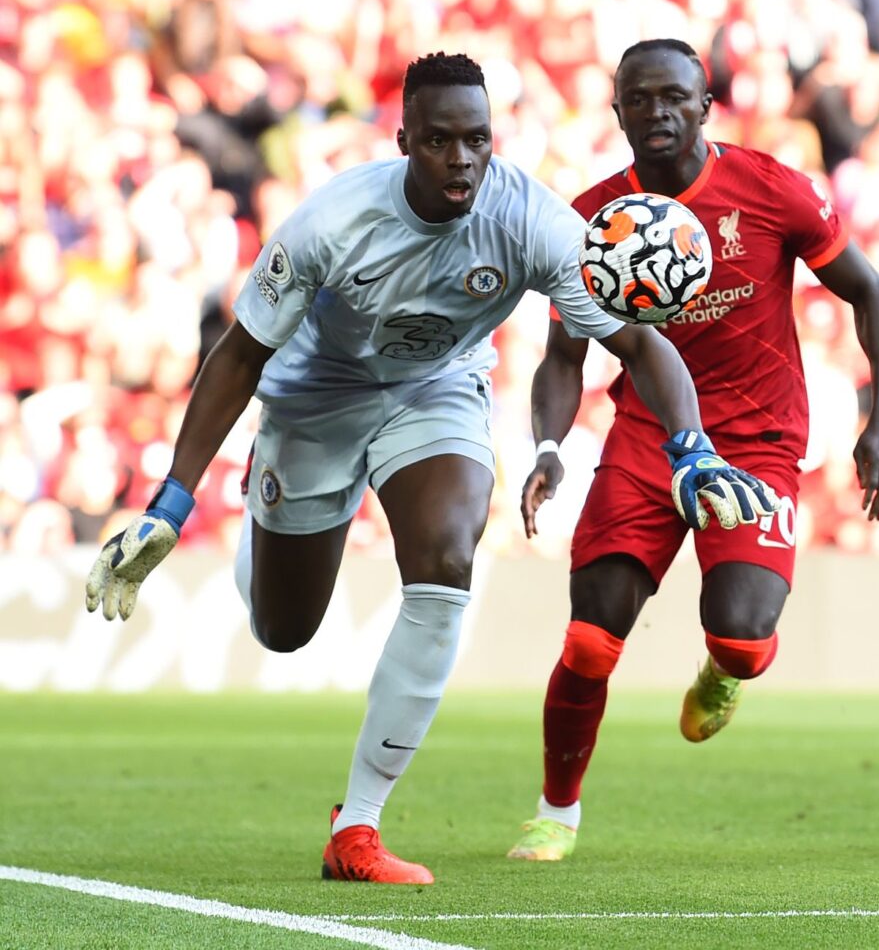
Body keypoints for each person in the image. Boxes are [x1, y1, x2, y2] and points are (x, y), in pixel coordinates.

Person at [84, 52, 779, 885]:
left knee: (449, 558)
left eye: (477, 140)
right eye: (441, 141)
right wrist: (170, 502)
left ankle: (360, 826)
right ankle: (258, 533)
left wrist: (691, 448)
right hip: (313, 405)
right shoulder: (332, 221)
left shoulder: (530, 218)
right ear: (405, 137)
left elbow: (637, 341)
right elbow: (238, 357)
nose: (461, 159)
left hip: (435, 391)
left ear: (494, 141)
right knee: (284, 628)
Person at [507, 38, 879, 863]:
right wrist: (548, 443)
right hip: (647, 440)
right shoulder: (590, 221)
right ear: (617, 111)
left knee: (745, 640)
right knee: (589, 639)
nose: (657, 112)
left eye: (674, 97)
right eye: (639, 99)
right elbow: (562, 357)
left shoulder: (771, 191)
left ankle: (723, 674)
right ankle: (556, 812)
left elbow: (871, 293)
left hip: (757, 442)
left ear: (704, 106)